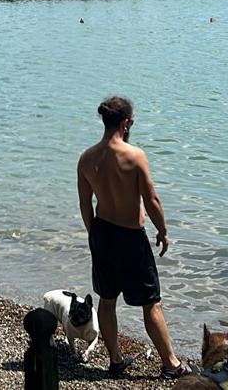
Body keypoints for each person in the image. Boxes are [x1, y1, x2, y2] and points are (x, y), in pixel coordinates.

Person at [76, 96, 185, 379]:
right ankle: (171, 364)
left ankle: (115, 360)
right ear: (126, 123)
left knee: (108, 299)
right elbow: (151, 199)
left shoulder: (87, 158)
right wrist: (163, 231)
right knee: (151, 302)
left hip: (102, 232)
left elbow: (85, 205)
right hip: (131, 238)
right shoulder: (134, 155)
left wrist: (93, 235)